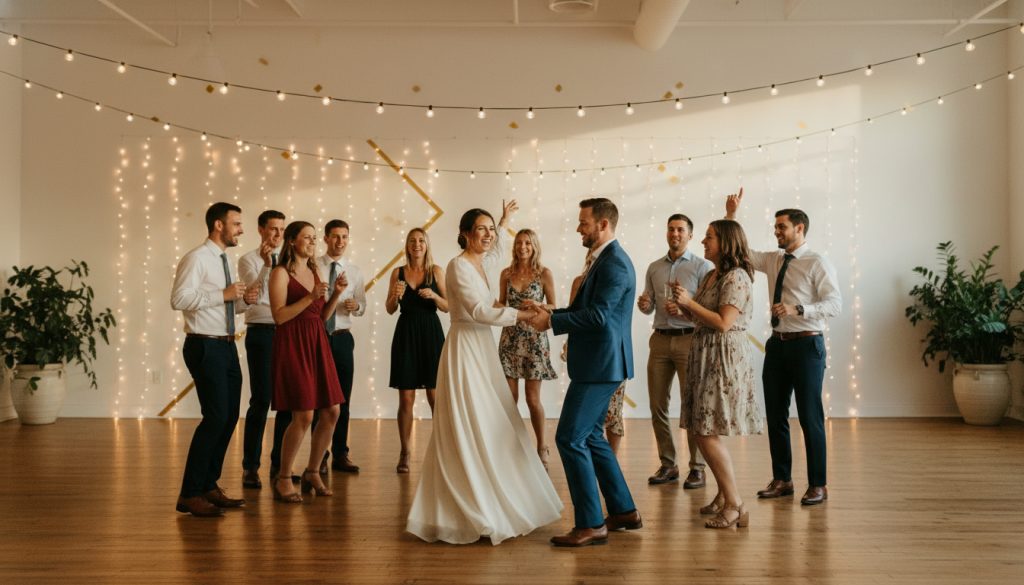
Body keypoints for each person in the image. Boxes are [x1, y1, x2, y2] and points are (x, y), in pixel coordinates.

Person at [406, 201, 563, 546]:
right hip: (465, 348)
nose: (489, 235)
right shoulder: (457, 266)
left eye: (491, 230)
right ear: (464, 234)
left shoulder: (481, 263)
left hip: (482, 349)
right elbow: (478, 310)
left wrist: (502, 223)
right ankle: (470, 505)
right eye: (481, 229)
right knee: (471, 422)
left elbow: (493, 260)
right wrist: (524, 316)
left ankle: (498, 496)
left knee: (494, 421)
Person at [530, 197, 640, 547]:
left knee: (568, 437)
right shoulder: (602, 260)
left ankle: (591, 522)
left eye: (584, 222)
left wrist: (552, 321)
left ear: (603, 225)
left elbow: (600, 317)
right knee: (591, 436)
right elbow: (591, 310)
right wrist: (551, 310)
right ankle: (623, 511)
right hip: (598, 362)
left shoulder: (615, 264)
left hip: (601, 365)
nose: (579, 228)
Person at [725, 189, 841, 506]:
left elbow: (835, 304)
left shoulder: (817, 262)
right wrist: (731, 216)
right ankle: (782, 480)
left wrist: (798, 309)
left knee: (809, 417)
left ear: (799, 229)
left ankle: (818, 484)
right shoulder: (775, 259)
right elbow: (743, 251)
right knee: (775, 416)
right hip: (777, 346)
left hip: (807, 346)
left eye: (782, 227)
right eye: (776, 227)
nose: (777, 232)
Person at [671, 219, 762, 529]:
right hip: (704, 352)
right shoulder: (712, 275)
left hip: (722, 356)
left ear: (725, 242)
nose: (703, 242)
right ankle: (725, 495)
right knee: (701, 427)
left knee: (706, 431)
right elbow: (701, 314)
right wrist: (683, 305)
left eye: (708, 237)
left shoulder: (736, 277)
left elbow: (723, 322)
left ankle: (736, 503)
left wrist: (688, 305)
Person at [170, 201, 251, 517]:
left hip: (227, 345)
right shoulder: (197, 258)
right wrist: (224, 295)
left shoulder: (223, 260)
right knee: (216, 416)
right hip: (204, 345)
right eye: (237, 223)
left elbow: (224, 302)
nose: (240, 229)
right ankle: (189, 493)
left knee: (230, 416)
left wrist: (242, 302)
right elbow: (178, 299)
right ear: (219, 225)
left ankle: (208, 485)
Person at [268, 221, 344, 503]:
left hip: (316, 340)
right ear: (292, 241)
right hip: (292, 343)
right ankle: (284, 477)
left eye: (314, 238)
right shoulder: (279, 273)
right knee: (303, 415)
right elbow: (279, 316)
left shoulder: (315, 270)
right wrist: (311, 296)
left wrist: (335, 293)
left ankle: (313, 471)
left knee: (332, 410)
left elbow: (321, 315)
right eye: (307, 237)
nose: (313, 242)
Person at [638, 214, 713, 489]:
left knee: (692, 405)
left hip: (689, 340)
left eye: (681, 230)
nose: (675, 234)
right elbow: (648, 307)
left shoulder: (703, 267)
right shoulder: (654, 268)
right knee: (657, 405)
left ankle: (697, 467)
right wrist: (644, 304)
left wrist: (685, 308)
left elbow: (711, 312)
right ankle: (668, 464)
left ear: (690, 235)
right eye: (671, 229)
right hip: (659, 341)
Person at [385, 227, 449, 474]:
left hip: (431, 334)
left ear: (427, 244)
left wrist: (433, 295)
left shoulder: (436, 271)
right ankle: (405, 451)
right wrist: (394, 295)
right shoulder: (398, 272)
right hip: (406, 334)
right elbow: (390, 308)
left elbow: (448, 307)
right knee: (406, 399)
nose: (417, 244)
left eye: (421, 240)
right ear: (407, 245)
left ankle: (442, 449)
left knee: (436, 397)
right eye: (412, 241)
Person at [498, 229, 558, 468]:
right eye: (519, 243)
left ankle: (542, 445)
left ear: (534, 246)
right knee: (509, 398)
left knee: (533, 399)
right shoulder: (506, 273)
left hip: (534, 340)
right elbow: (502, 305)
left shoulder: (543, 273)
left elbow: (554, 306)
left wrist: (539, 304)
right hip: (510, 340)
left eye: (527, 243)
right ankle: (511, 445)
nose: (522, 247)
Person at [238, 209, 286, 489]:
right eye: (273, 229)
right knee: (262, 400)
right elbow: (256, 297)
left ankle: (279, 465)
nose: (278, 235)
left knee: (287, 402)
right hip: (261, 333)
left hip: (287, 332)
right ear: (260, 230)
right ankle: (250, 468)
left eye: (282, 229)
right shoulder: (248, 260)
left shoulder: (291, 260)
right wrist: (267, 266)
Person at [317, 219, 367, 474]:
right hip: (319, 338)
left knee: (343, 398)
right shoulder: (313, 266)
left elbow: (363, 305)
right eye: (335, 236)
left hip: (343, 337)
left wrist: (355, 307)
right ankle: (320, 456)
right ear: (325, 238)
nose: (340, 242)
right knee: (319, 399)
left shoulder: (355, 271)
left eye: (344, 237)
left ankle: (340, 454)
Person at [565, 272, 625, 454]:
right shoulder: (579, 281)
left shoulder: (614, 276)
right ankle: (600, 462)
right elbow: (572, 315)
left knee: (613, 413)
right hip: (586, 357)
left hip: (611, 357)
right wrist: (569, 343)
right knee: (589, 423)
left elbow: (603, 317)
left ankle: (611, 461)